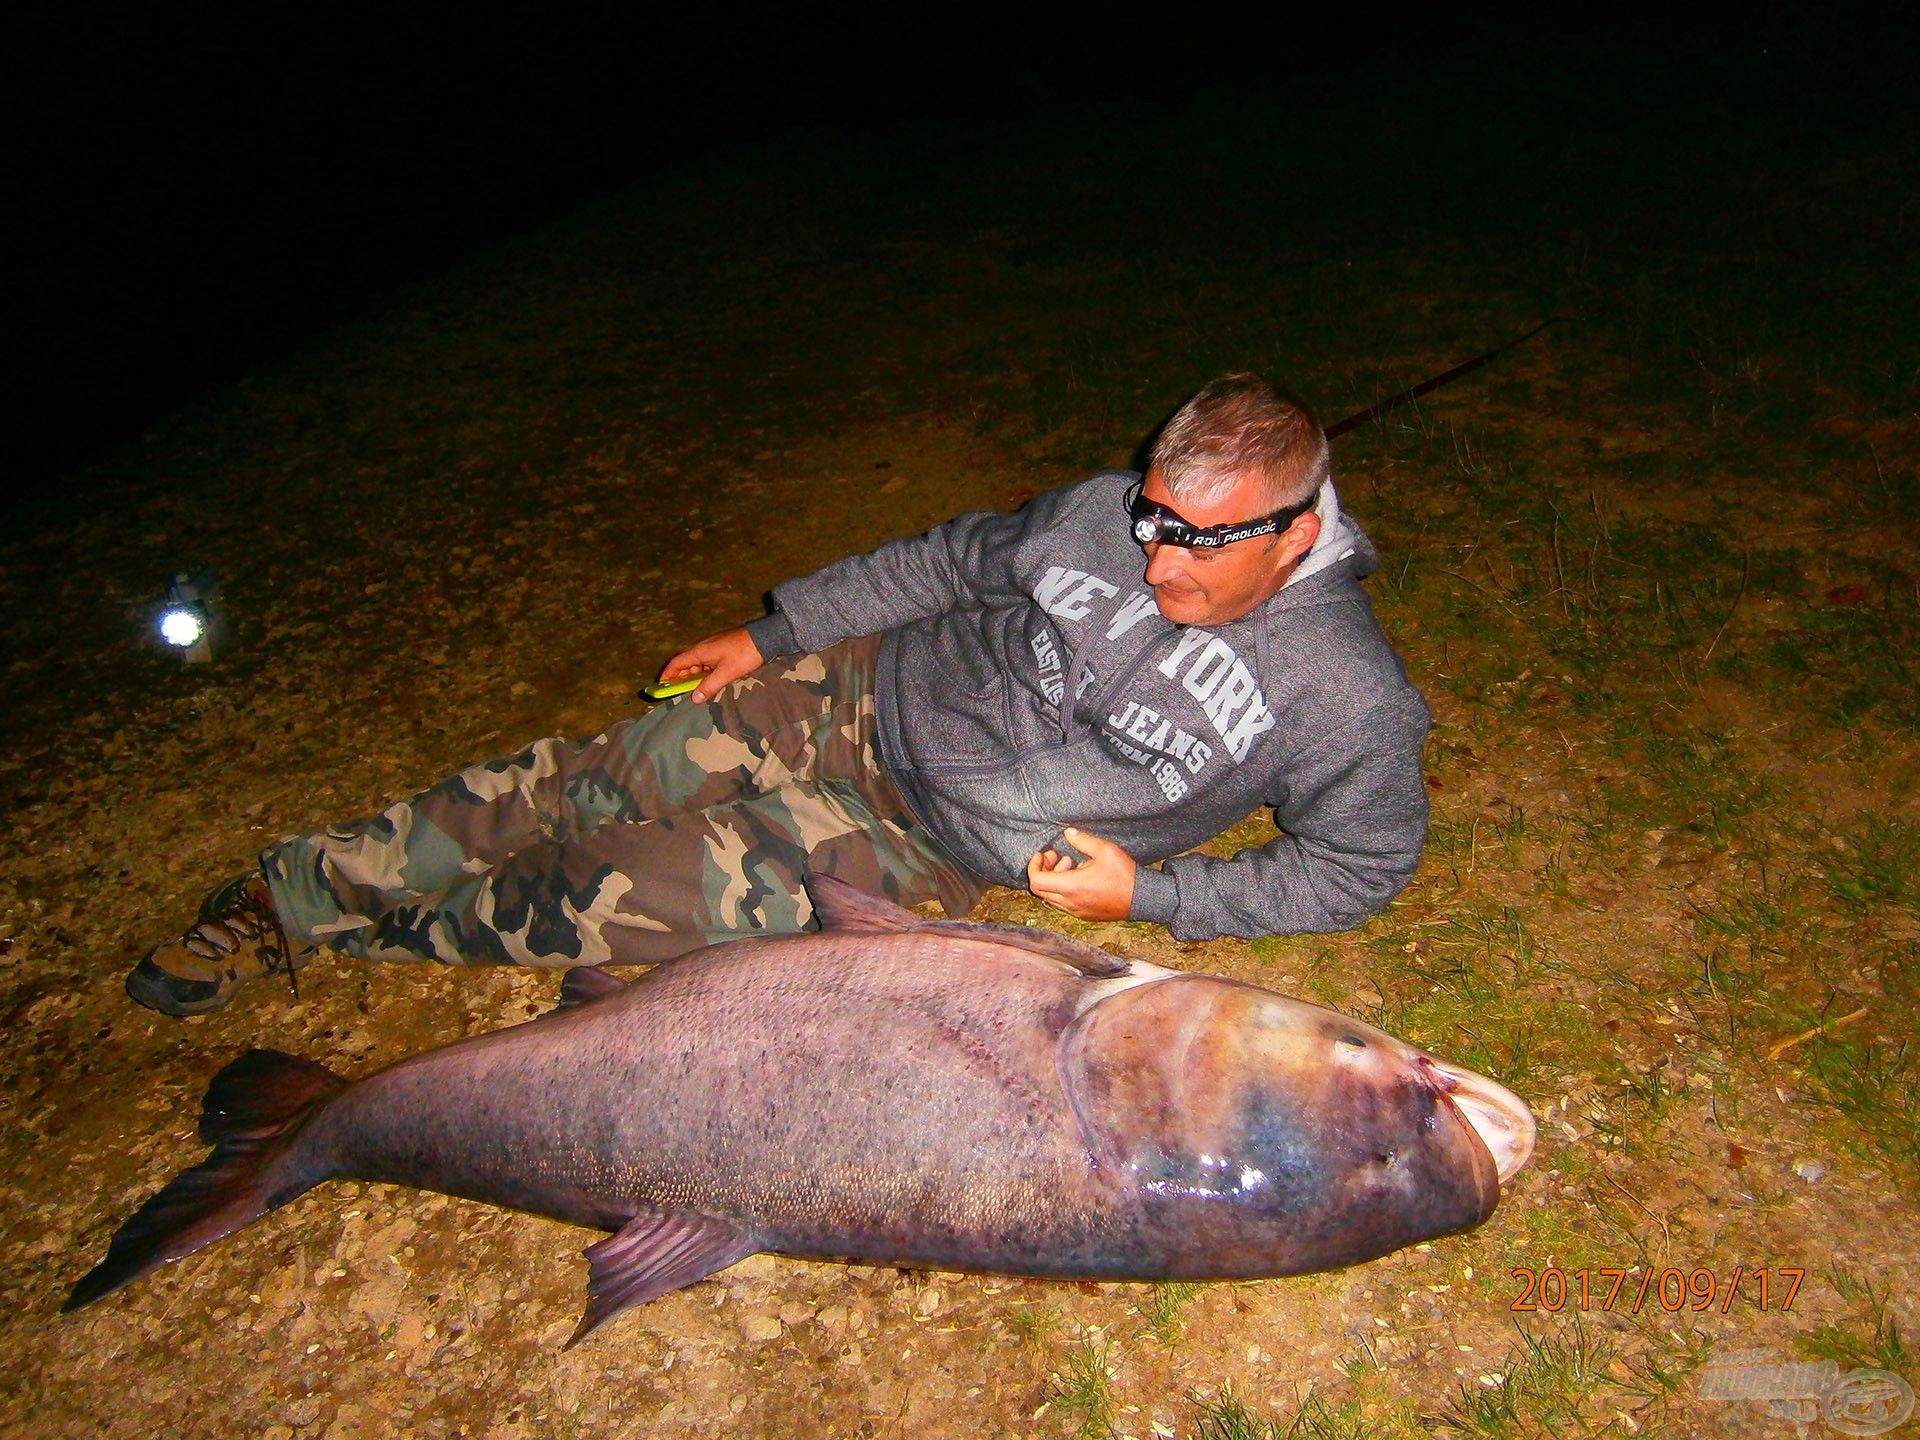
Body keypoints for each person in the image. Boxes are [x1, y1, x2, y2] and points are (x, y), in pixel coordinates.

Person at [126, 375, 1431, 1016]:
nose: (1155, 561)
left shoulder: (1345, 698)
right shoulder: (1099, 517)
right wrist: (777, 632)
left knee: (592, 895)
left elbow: (1354, 871)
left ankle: (356, 938)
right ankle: (279, 898)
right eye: (1153, 518)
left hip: (927, 847)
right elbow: (945, 559)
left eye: (1200, 542)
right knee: (577, 779)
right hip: (851, 696)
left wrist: (1151, 897)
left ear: (1299, 530)